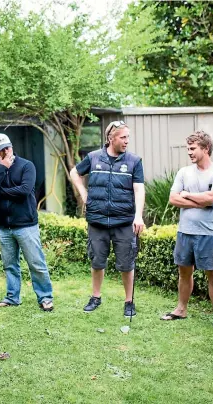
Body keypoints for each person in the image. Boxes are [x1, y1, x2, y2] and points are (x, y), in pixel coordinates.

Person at [160, 131, 213, 334]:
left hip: (210, 234)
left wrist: (189, 195)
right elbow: (173, 199)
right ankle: (181, 309)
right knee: (184, 273)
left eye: (193, 149)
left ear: (206, 149)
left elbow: (211, 199)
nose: (189, 153)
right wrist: (200, 201)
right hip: (185, 232)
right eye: (188, 149)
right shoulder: (184, 172)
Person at [70, 120, 145, 317]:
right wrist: (83, 194)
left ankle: (129, 301)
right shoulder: (94, 158)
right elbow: (74, 173)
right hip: (97, 221)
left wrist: (138, 216)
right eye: (123, 137)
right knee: (97, 261)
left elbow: (139, 188)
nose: (127, 141)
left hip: (124, 222)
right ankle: (96, 297)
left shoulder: (134, 161)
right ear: (111, 138)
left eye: (128, 137)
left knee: (127, 263)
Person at [0, 133, 54, 311]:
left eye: (7, 148)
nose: (6, 152)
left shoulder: (26, 166)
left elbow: (24, 191)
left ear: (11, 146)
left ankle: (45, 297)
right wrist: (3, 169)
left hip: (26, 225)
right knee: (9, 265)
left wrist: (1, 190)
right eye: (1, 150)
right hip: (4, 227)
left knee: (36, 263)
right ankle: (12, 297)